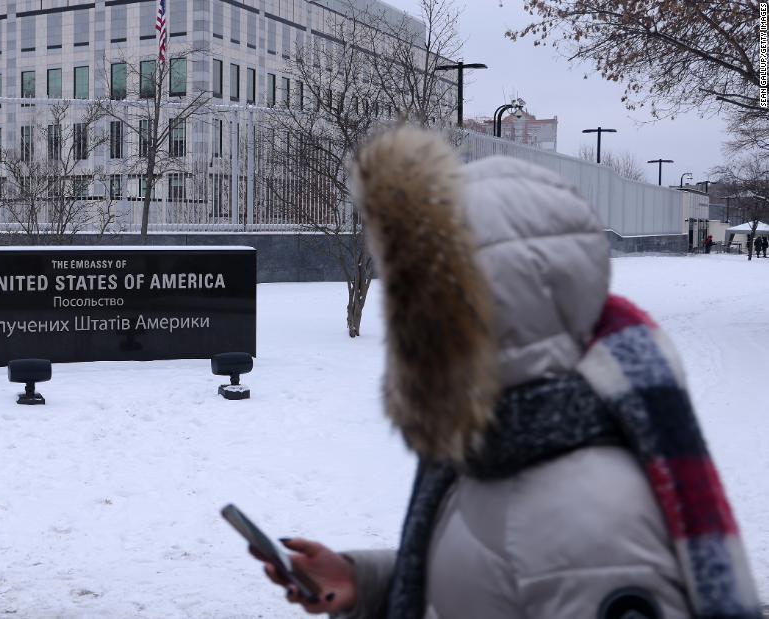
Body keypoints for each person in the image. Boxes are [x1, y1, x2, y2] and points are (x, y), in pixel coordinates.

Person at [250, 127, 761, 619]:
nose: (411, 324)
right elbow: (490, 577)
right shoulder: (496, 448)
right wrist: (363, 583)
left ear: (499, 303)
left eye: (431, 295)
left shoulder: (588, 515)